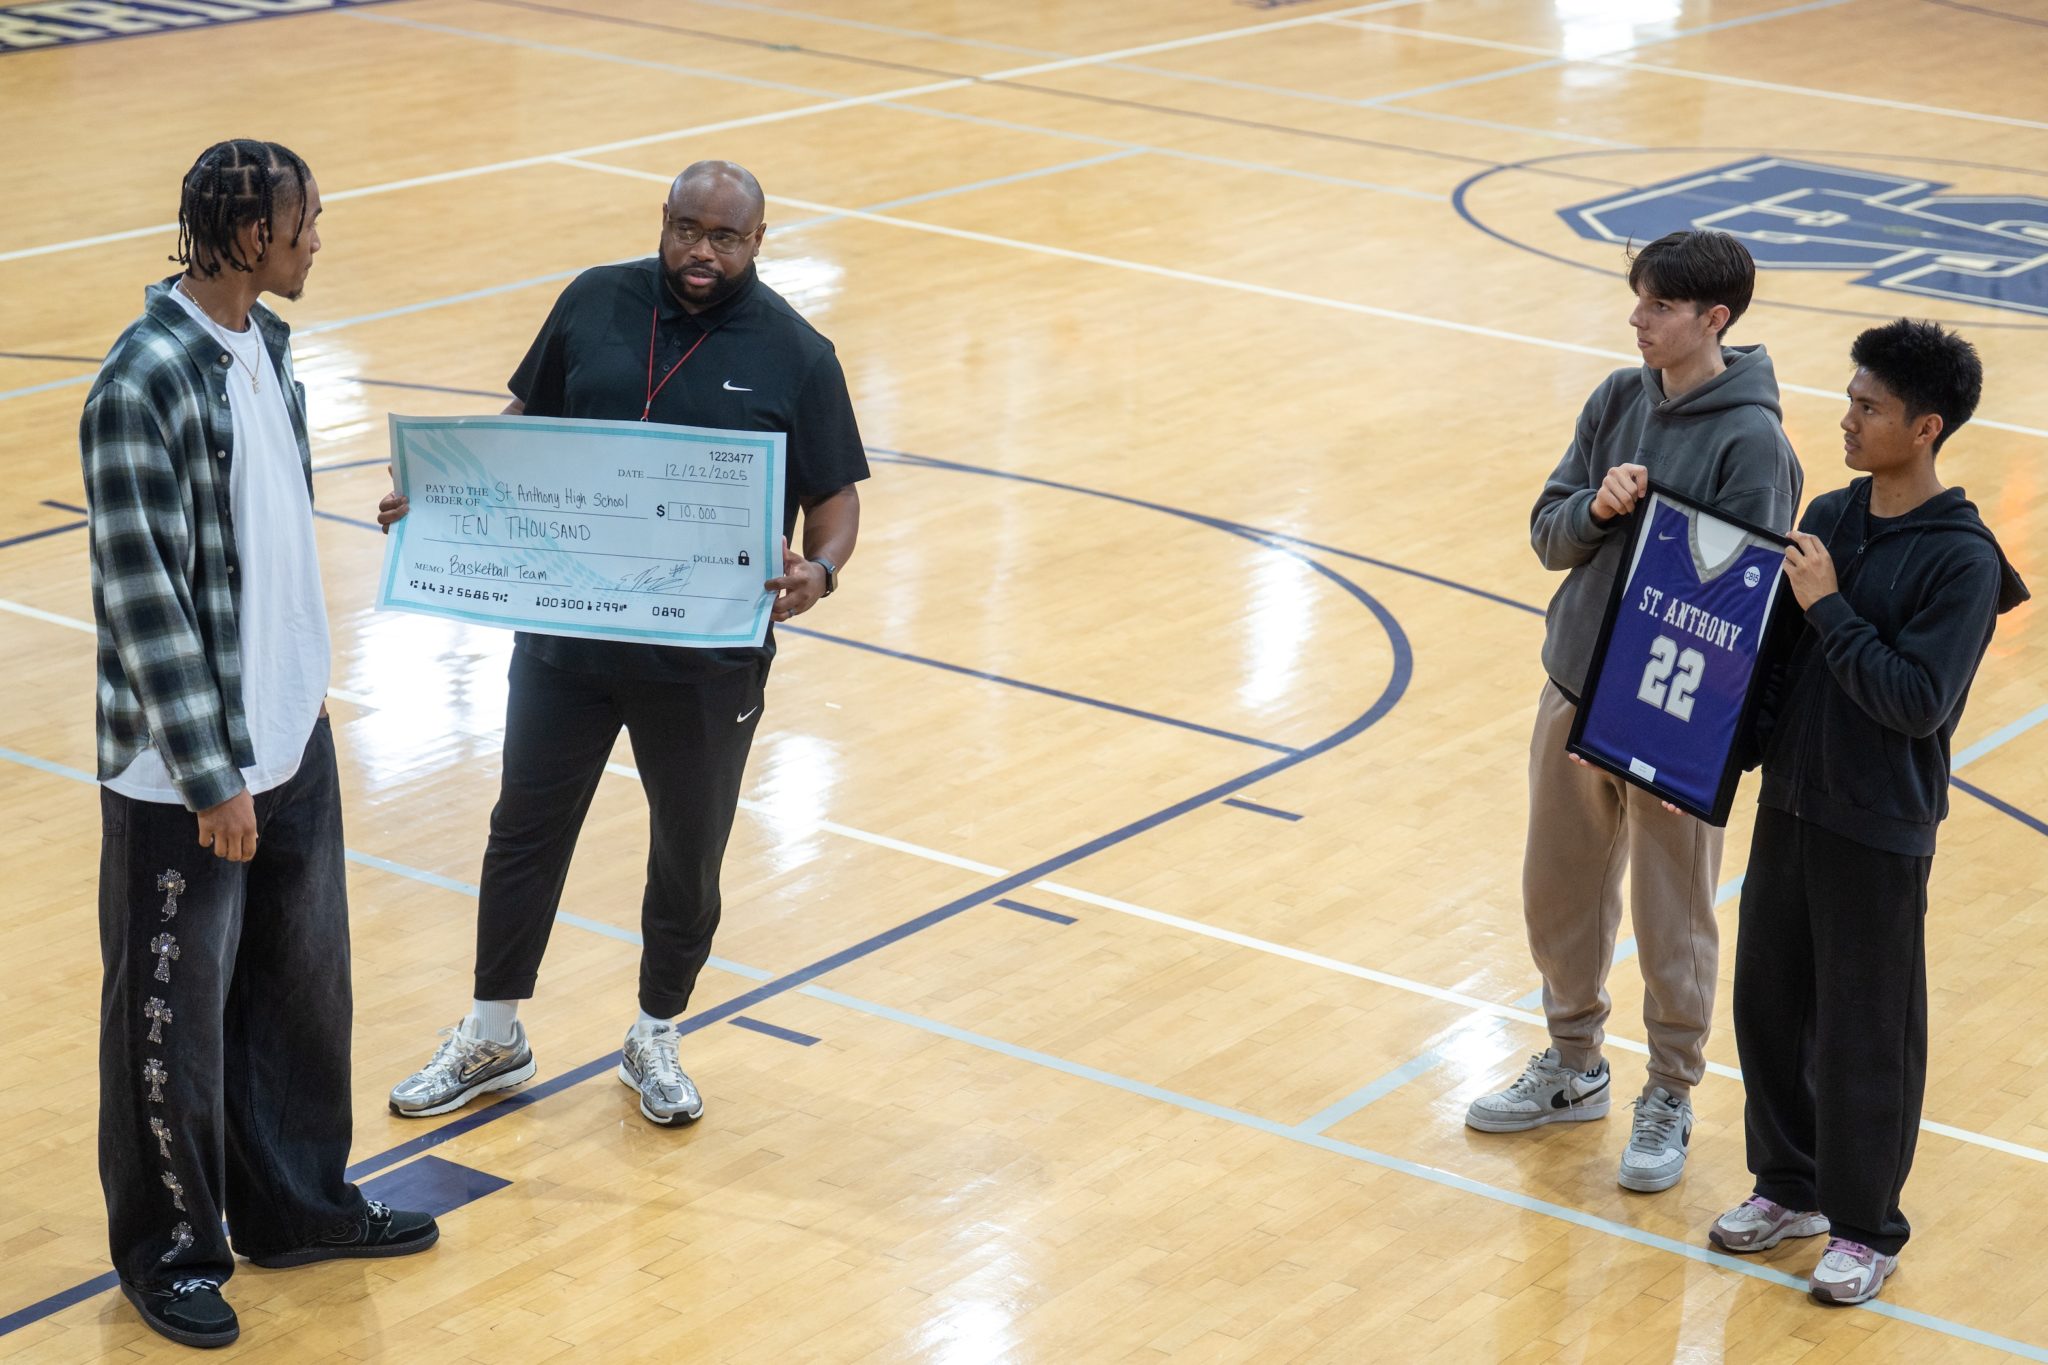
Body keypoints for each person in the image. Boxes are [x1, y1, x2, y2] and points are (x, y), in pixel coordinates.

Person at [383, 160, 867, 1129]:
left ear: (758, 241)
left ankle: (655, 1033)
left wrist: (819, 571)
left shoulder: (796, 353)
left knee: (688, 851)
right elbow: (527, 426)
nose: (701, 250)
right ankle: (492, 1032)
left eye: (724, 237)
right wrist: (445, 494)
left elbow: (836, 497)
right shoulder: (593, 300)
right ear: (664, 219)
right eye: (687, 228)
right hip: (565, 637)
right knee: (524, 828)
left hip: (706, 661)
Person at [82, 139, 436, 1351]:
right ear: (248, 237)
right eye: (304, 222)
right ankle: (171, 1253)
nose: (317, 240)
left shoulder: (267, 350)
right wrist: (210, 776)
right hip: (190, 775)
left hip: (292, 737)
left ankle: (295, 1208)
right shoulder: (140, 383)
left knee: (299, 997)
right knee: (170, 1028)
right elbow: (142, 600)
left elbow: (262, 531)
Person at [1465, 230, 1804, 1196]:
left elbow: (1742, 607)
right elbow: (1548, 533)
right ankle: (1574, 1065)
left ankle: (1670, 1091)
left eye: (1658, 305)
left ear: (1715, 318)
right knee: (1558, 891)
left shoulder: (1755, 444)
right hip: (1575, 690)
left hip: (1671, 719)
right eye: (1639, 299)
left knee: (1672, 917)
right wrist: (1598, 510)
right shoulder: (1617, 398)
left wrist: (1679, 736)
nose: (1637, 319)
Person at [1708, 320, 2028, 1305]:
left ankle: (1865, 1228)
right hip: (1790, 803)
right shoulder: (1832, 513)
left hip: (1878, 823)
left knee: (1865, 1031)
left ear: (1925, 428)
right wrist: (1712, 755)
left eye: (1867, 407)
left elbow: (1914, 700)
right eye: (1848, 400)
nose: (1845, 420)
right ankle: (1787, 1187)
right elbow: (1778, 662)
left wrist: (1829, 604)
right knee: (1767, 1005)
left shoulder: (1963, 561)